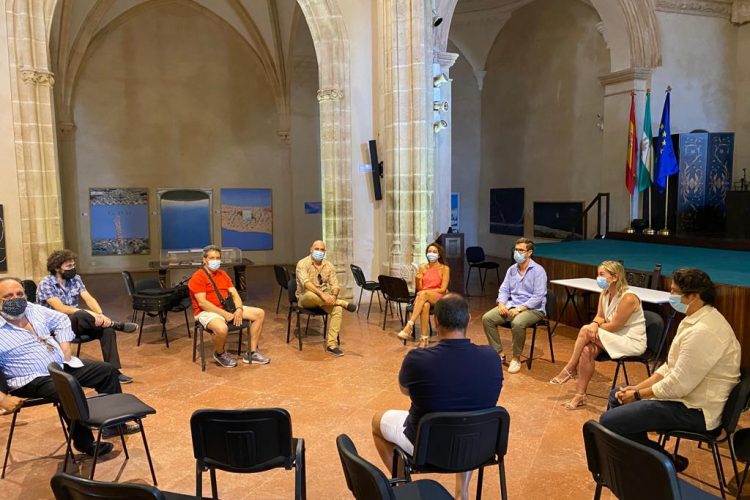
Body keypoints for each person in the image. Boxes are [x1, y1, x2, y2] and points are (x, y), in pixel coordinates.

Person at [600, 268, 741, 472]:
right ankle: (641, 461)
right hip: (686, 397)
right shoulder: (695, 318)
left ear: (693, 296)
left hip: (696, 411)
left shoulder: (704, 330)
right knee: (617, 396)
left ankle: (662, 463)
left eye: (675, 292)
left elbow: (678, 385)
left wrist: (638, 395)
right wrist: (636, 388)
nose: (671, 296)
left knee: (609, 421)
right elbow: (669, 367)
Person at [372, 293, 503, 500]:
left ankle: (405, 488)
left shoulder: (418, 359)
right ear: (468, 319)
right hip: (478, 446)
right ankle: (462, 492)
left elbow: (404, 390)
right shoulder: (492, 358)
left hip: (427, 447)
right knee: (468, 417)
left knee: (378, 422)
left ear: (435, 320)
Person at [0, 277, 133, 457]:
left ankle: (114, 425)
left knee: (107, 371)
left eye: (19, 294)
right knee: (67, 387)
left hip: (60, 364)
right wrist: (1, 398)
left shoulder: (32, 309)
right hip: (29, 378)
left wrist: (65, 349)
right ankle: (85, 443)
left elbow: (62, 319)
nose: (16, 299)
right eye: (8, 297)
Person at [550, 260, 646, 409]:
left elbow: (615, 326)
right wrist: (595, 324)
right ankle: (579, 396)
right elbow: (600, 316)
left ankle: (570, 368)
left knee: (585, 330)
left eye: (602, 275)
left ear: (615, 277)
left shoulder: (628, 297)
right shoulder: (605, 293)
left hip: (629, 341)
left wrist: (593, 328)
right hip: (611, 337)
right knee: (587, 350)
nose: (598, 278)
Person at [37, 249, 137, 384]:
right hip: (55, 326)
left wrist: (101, 315)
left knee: (107, 331)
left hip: (78, 323)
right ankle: (116, 324)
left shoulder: (75, 279)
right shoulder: (46, 283)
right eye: (68, 266)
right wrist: (91, 314)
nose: (72, 268)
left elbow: (88, 298)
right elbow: (61, 308)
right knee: (78, 313)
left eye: (73, 265)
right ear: (57, 268)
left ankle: (114, 371)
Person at [188, 245, 269, 368]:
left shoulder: (223, 274)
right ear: (204, 260)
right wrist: (225, 314)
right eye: (212, 258)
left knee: (259, 313)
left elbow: (235, 294)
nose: (215, 261)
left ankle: (251, 353)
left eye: (218, 258)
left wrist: (239, 309)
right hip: (207, 311)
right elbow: (203, 303)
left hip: (227, 306)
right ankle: (219, 353)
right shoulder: (197, 277)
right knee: (222, 328)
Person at [482, 237, 547, 373]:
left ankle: (516, 358)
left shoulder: (538, 271)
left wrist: (520, 308)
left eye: (521, 250)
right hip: (512, 305)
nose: (517, 253)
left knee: (517, 323)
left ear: (529, 253)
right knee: (487, 318)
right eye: (516, 250)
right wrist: (501, 303)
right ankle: (499, 353)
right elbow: (504, 289)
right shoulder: (512, 269)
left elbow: (538, 296)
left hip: (533, 309)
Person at [295, 240, 357, 357]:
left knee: (337, 310)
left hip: (325, 300)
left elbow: (335, 285)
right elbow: (306, 283)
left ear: (325, 252)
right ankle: (342, 302)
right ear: (311, 249)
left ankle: (331, 345)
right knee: (310, 294)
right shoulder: (302, 263)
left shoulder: (329, 266)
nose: (319, 252)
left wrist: (333, 296)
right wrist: (322, 295)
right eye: (317, 249)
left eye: (322, 250)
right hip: (306, 299)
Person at [397, 243, 450, 347]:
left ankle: (409, 325)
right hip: (424, 297)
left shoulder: (445, 268)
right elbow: (420, 288)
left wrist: (427, 292)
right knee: (425, 306)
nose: (431, 254)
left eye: (434, 252)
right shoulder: (422, 267)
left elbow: (443, 289)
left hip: (439, 296)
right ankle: (424, 339)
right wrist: (417, 279)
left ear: (439, 255)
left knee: (424, 294)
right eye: (429, 252)